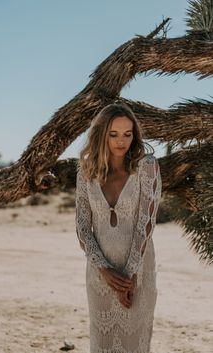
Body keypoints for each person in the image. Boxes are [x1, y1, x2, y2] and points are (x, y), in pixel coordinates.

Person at [75, 103, 162, 353]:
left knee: (135, 344)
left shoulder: (146, 166)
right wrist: (103, 270)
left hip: (138, 272)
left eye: (128, 133)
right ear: (101, 134)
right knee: (101, 345)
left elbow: (146, 223)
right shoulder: (86, 170)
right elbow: (82, 225)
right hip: (100, 276)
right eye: (113, 134)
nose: (121, 141)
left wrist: (130, 276)